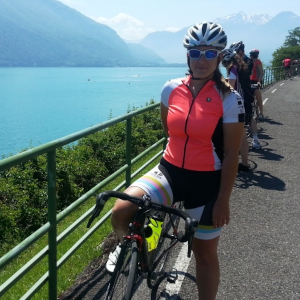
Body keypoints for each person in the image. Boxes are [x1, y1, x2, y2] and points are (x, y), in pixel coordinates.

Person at [106, 22, 245, 300]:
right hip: (169, 172)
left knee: (204, 254)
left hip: (206, 183)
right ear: (187, 56)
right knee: (121, 210)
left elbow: (231, 154)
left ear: (219, 57)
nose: (201, 60)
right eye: (196, 52)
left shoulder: (230, 98)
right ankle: (128, 247)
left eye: (209, 53)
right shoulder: (170, 89)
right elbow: (169, 132)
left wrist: (223, 200)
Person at [222, 48, 251, 172]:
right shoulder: (241, 67)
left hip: (237, 104)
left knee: (237, 135)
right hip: (244, 102)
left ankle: (231, 163)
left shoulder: (233, 68)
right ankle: (245, 164)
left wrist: (219, 80)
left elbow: (230, 86)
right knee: (243, 135)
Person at [230, 41, 261, 150]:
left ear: (240, 51)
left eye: (235, 53)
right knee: (246, 116)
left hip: (243, 92)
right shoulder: (247, 61)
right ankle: (254, 140)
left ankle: (255, 140)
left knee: (247, 116)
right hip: (243, 91)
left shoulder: (245, 62)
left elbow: (236, 79)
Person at [249, 49, 264, 120]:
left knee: (258, 97)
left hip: (257, 81)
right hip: (250, 80)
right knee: (250, 97)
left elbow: (261, 73)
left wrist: (259, 81)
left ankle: (261, 113)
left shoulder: (258, 62)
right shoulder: (250, 62)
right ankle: (254, 111)